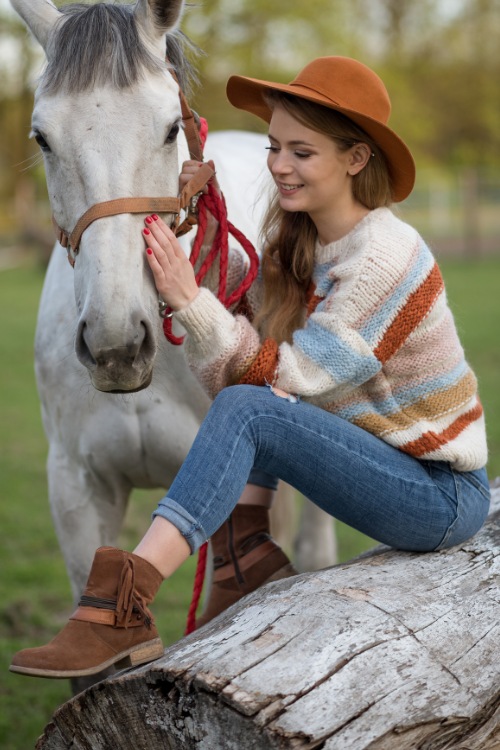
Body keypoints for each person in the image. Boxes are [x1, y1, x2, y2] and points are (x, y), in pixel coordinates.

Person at [10, 56, 490, 679]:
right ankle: (241, 556)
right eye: (274, 147)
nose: (279, 166)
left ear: (356, 159)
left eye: (302, 151)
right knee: (244, 394)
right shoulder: (303, 244)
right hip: (382, 465)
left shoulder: (386, 258)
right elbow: (243, 322)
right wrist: (188, 246)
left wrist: (190, 301)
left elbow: (287, 381)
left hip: (438, 494)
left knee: (249, 405)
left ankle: (126, 599)